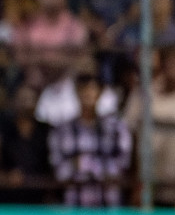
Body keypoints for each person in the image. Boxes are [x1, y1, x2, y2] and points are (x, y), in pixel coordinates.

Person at [121, 46, 175, 206]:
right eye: (169, 63)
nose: (174, 69)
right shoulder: (142, 96)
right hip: (146, 183)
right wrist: (135, 183)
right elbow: (131, 140)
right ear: (162, 66)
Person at [49, 72, 132, 207]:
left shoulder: (115, 129)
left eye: (93, 88)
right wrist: (74, 165)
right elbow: (58, 170)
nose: (88, 93)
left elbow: (123, 165)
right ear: (77, 92)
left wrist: (94, 166)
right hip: (75, 205)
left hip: (107, 205)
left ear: (100, 93)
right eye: (84, 88)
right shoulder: (62, 130)